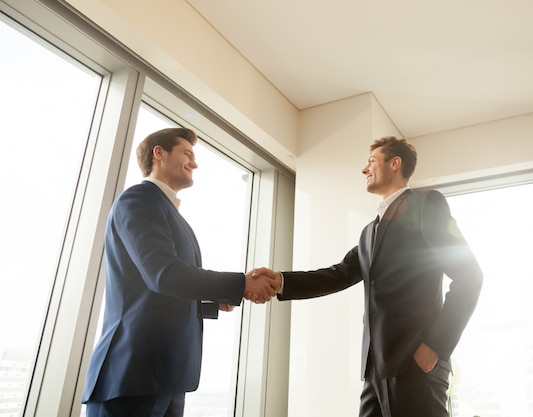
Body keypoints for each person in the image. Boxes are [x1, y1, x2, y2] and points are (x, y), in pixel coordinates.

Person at [255, 136, 483, 417]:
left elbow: (469, 276)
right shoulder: (368, 232)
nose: (364, 169)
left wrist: (435, 345)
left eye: (371, 161)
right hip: (374, 369)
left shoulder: (426, 205)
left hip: (415, 365)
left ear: (395, 163)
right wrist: (281, 281)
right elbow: (339, 274)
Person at [82, 127, 280, 417]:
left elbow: (157, 287)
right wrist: (240, 284)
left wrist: (211, 299)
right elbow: (164, 274)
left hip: (165, 376)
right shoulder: (139, 200)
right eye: (187, 153)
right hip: (134, 375)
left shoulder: (166, 211)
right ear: (159, 153)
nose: (195, 162)